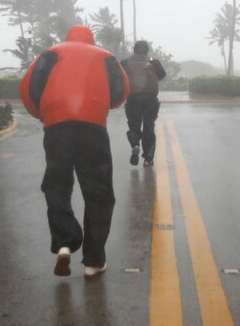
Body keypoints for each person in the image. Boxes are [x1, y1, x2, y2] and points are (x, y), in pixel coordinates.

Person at [20, 25, 129, 277]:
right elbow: (121, 91)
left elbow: (29, 88)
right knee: (99, 192)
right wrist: (102, 103)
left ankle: (64, 243)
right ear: (91, 39)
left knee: (57, 184)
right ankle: (94, 261)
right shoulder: (105, 56)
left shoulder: (50, 53)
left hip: (57, 126)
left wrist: (44, 115)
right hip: (92, 127)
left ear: (67, 37)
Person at [120, 40, 166, 167]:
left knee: (134, 126)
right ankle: (148, 157)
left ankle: (135, 144)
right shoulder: (154, 62)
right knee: (149, 127)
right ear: (147, 50)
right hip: (150, 100)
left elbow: (119, 78)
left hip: (133, 99)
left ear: (134, 50)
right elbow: (162, 76)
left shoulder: (125, 63)